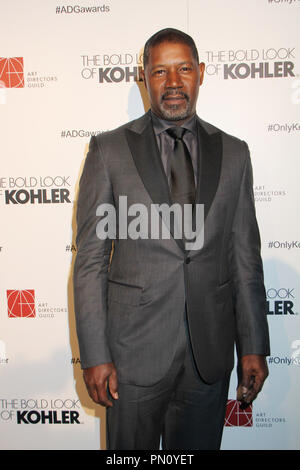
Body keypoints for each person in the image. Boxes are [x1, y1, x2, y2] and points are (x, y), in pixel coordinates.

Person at [73, 28, 270, 450]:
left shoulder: (235, 153)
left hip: (209, 356)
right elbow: (90, 259)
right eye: (160, 71)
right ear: (144, 77)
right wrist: (95, 354)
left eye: (183, 69)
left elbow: (245, 259)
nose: (174, 82)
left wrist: (253, 345)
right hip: (132, 356)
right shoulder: (108, 151)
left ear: (200, 73)